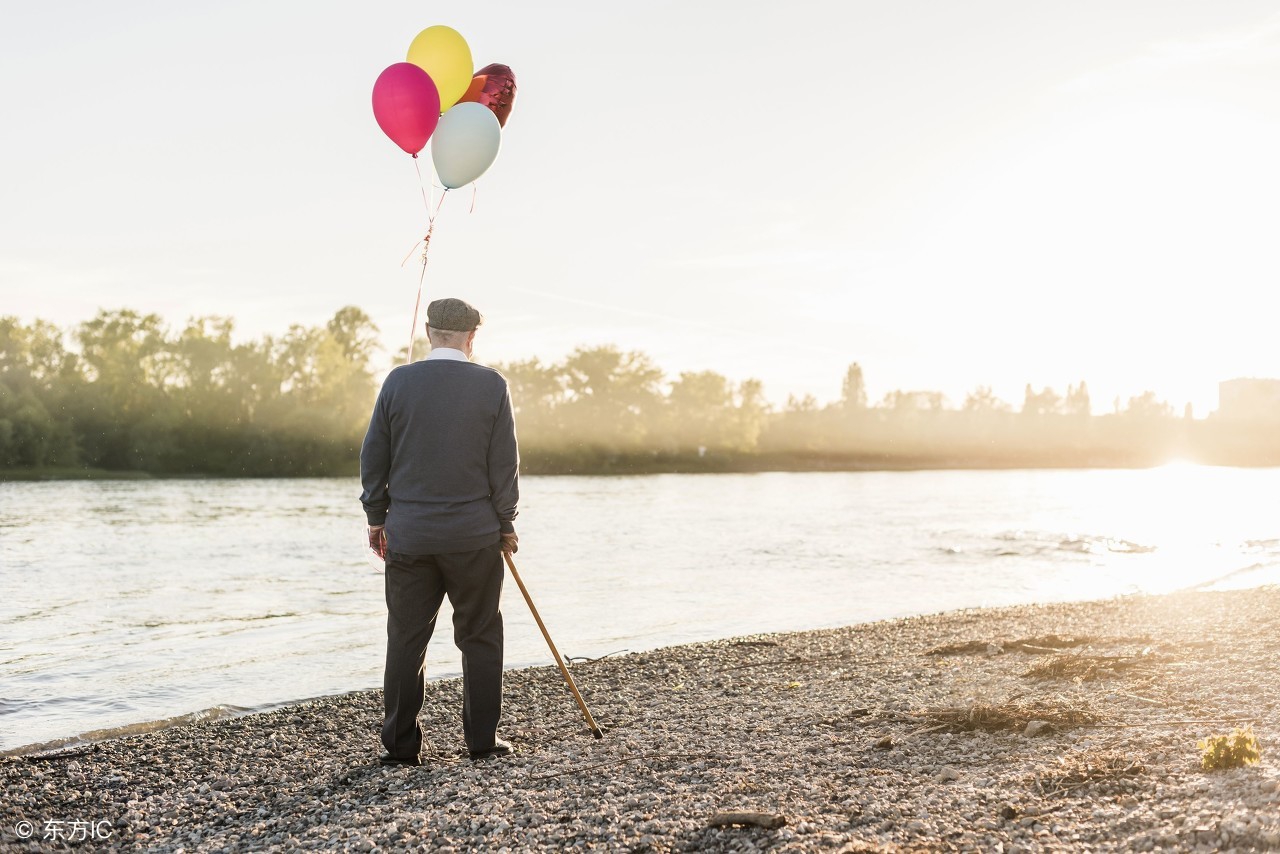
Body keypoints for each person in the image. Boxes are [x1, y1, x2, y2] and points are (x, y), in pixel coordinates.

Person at [359, 297, 520, 765]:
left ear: (429, 332)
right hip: (474, 536)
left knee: (406, 638)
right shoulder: (492, 385)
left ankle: (401, 746)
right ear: (472, 337)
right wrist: (506, 522)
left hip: (409, 535)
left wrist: (376, 517)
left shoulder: (397, 380)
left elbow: (374, 457)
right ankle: (483, 742)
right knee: (481, 635)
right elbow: (504, 465)